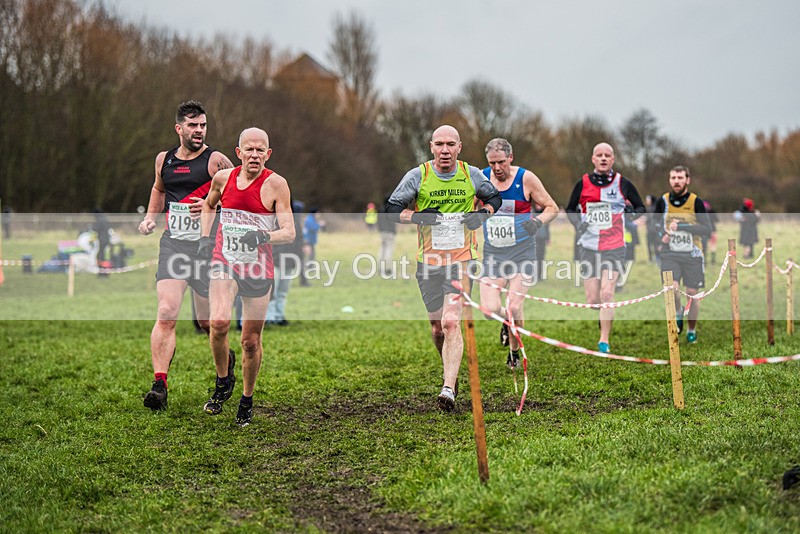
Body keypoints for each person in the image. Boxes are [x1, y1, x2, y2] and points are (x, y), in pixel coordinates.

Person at [385, 125, 502, 411]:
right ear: (431, 147)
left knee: (451, 322)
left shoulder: (471, 174)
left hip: (462, 260)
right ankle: (450, 369)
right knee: (438, 328)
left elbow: (494, 198)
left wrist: (482, 214)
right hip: (429, 262)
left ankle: (448, 388)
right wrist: (416, 217)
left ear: (459, 147)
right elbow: (391, 209)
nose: (445, 150)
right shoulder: (419, 176)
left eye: (451, 144)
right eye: (440, 144)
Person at [138, 100, 233, 411]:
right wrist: (150, 218)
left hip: (207, 248)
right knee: (166, 311)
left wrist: (210, 204)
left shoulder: (216, 161)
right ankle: (159, 385)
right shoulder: (163, 160)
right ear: (179, 128)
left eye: (203, 125)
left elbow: (237, 194)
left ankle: (227, 361)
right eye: (193, 125)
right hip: (174, 246)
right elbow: (159, 190)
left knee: (208, 322)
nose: (199, 130)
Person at [197, 127, 295, 427]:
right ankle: (223, 379)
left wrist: (263, 236)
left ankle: (247, 399)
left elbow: (289, 232)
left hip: (258, 268)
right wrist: (205, 237)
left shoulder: (277, 185)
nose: (254, 155)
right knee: (218, 323)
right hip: (224, 261)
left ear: (268, 153)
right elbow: (208, 205)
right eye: (249, 149)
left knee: (250, 341)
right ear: (238, 153)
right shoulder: (222, 179)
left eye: (260, 150)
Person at [477, 138, 558, 369]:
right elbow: (469, 208)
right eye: (492, 163)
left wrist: (537, 222)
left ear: (510, 158)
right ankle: (506, 321)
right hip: (493, 254)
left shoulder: (526, 178)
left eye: (501, 162)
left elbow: (552, 207)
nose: (497, 168)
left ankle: (514, 352)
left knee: (514, 306)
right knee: (489, 310)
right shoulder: (481, 178)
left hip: (523, 253)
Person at [565, 142, 646, 354]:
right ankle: (603, 316)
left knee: (607, 293)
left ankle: (604, 341)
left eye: (607, 155)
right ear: (593, 159)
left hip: (615, 246)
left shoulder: (623, 183)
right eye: (599, 155)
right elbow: (570, 209)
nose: (603, 158)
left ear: (613, 159)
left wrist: (630, 214)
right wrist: (578, 224)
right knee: (594, 300)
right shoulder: (582, 183)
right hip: (588, 246)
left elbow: (641, 207)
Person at [653, 166, 712, 343]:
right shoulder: (663, 201)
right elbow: (654, 224)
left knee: (692, 294)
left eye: (680, 178)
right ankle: (678, 312)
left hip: (693, 254)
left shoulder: (696, 202)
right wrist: (661, 235)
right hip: (670, 253)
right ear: (669, 180)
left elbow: (707, 229)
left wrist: (683, 227)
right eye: (673, 178)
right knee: (671, 288)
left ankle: (691, 329)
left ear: (687, 180)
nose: (676, 181)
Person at [265, 198, 305, 326]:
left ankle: (279, 315)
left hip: (290, 260)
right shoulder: (273, 219)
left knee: (283, 291)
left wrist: (299, 257)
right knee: (272, 290)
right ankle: (269, 317)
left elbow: (299, 240)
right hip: (275, 260)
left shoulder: (295, 221)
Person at [301, 208, 324, 285]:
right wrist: (320, 224)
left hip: (310, 240)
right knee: (310, 254)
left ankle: (309, 266)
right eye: (318, 213)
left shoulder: (311, 218)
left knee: (311, 254)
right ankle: (309, 267)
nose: (319, 215)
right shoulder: (310, 219)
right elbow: (313, 228)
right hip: (308, 240)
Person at [377, 194, 397, 276]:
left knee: (382, 250)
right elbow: (392, 223)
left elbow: (378, 222)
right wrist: (394, 231)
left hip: (382, 232)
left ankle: (380, 268)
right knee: (389, 250)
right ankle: (388, 269)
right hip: (390, 232)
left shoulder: (380, 210)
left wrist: (381, 230)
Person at [702, 200, 719, 264]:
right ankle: (713, 261)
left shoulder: (701, 212)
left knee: (704, 246)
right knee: (713, 245)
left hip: (704, 231)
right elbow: (717, 220)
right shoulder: (712, 211)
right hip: (713, 230)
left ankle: (704, 261)